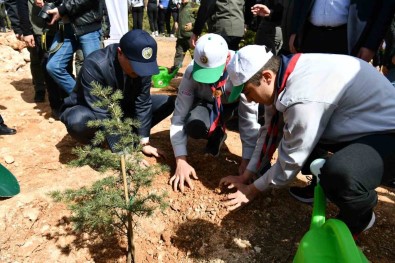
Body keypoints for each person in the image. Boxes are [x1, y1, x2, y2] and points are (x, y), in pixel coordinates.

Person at [221, 44, 395, 237]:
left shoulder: (302, 97)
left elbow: (289, 163)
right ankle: (321, 185)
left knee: (339, 173)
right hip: (359, 123)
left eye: (247, 91)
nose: (250, 100)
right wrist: (246, 175)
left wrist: (251, 190)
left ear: (267, 77)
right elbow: (269, 132)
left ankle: (361, 215)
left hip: (388, 133)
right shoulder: (283, 76)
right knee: (300, 134)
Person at [60, 29, 175, 156]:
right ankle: (100, 142)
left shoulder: (143, 66)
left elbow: (143, 103)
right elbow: (102, 112)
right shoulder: (95, 64)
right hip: (91, 111)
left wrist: (143, 142)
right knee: (78, 121)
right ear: (120, 53)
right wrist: (122, 152)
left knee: (167, 102)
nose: (139, 72)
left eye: (144, 67)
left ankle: (129, 137)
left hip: (123, 108)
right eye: (135, 65)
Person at [169, 34, 260, 192]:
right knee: (194, 125)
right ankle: (216, 134)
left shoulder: (241, 70)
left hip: (233, 108)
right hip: (206, 105)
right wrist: (180, 159)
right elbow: (178, 117)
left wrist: (246, 160)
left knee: (259, 120)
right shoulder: (191, 72)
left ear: (226, 60)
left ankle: (224, 131)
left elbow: (249, 120)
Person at [289, 0, 395, 62]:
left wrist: (371, 45)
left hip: (347, 41)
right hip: (311, 36)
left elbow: (385, 7)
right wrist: (295, 29)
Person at [36, 0, 104, 95]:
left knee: (94, 73)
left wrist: (62, 9)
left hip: (88, 28)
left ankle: (100, 106)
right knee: (54, 66)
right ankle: (80, 98)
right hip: (67, 29)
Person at [170, 0, 194, 72]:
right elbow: (180, 16)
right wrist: (176, 21)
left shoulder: (194, 6)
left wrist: (192, 25)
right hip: (181, 36)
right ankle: (175, 70)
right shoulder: (181, 6)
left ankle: (198, 71)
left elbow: (201, 19)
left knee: (195, 56)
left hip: (191, 37)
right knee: (179, 54)